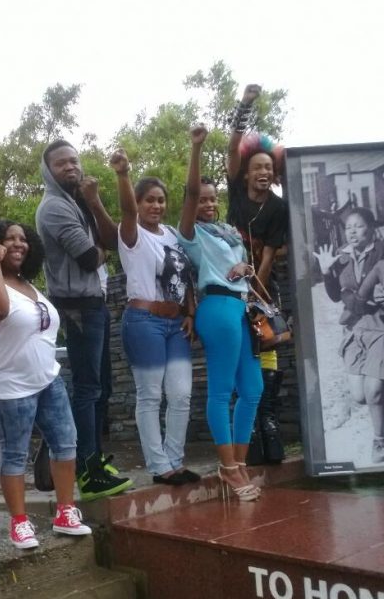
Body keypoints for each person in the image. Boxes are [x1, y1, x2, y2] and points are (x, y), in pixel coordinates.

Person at [0, 220, 91, 548]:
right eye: (8, 239)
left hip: (48, 379)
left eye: (22, 239)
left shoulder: (28, 284)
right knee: (14, 453)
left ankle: (66, 512)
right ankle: (19, 523)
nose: (17, 243)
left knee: (66, 443)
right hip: (9, 386)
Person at [36, 140, 132, 500]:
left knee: (102, 387)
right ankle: (87, 471)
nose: (71, 167)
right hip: (78, 308)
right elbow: (92, 257)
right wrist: (102, 249)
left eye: (74, 160)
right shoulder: (54, 208)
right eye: (62, 163)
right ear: (49, 170)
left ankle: (93, 461)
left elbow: (112, 240)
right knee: (88, 389)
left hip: (95, 303)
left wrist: (94, 202)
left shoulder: (77, 201)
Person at [178, 126, 262, 499]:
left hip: (242, 309)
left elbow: (246, 266)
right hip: (217, 307)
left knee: (253, 389)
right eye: (203, 200)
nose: (208, 204)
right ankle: (228, 467)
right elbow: (191, 191)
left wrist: (246, 268)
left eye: (213, 199)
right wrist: (197, 148)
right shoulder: (190, 232)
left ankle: (239, 463)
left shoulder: (228, 231)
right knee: (222, 389)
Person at [109, 149, 199, 485]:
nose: (156, 206)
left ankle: (175, 460)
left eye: (161, 200)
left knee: (181, 394)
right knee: (150, 395)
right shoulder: (131, 233)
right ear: (138, 202)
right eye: (149, 200)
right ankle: (160, 466)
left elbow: (183, 275)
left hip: (175, 324)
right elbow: (126, 210)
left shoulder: (172, 235)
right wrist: (122, 174)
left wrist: (190, 311)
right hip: (143, 321)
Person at [227, 84, 289, 465]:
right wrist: (245, 104)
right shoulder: (235, 194)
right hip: (230, 284)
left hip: (263, 287)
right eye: (258, 167)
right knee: (239, 352)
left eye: (269, 167)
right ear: (247, 173)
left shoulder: (278, 208)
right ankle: (247, 426)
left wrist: (258, 295)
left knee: (268, 346)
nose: (263, 171)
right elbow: (233, 144)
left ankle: (267, 421)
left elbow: (268, 253)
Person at [314, 208, 384, 463]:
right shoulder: (341, 257)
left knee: (372, 392)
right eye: (348, 227)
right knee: (360, 396)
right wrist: (327, 272)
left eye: (358, 226)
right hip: (353, 329)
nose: (352, 231)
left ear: (371, 227)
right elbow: (336, 296)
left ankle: (379, 440)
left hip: (380, 328)